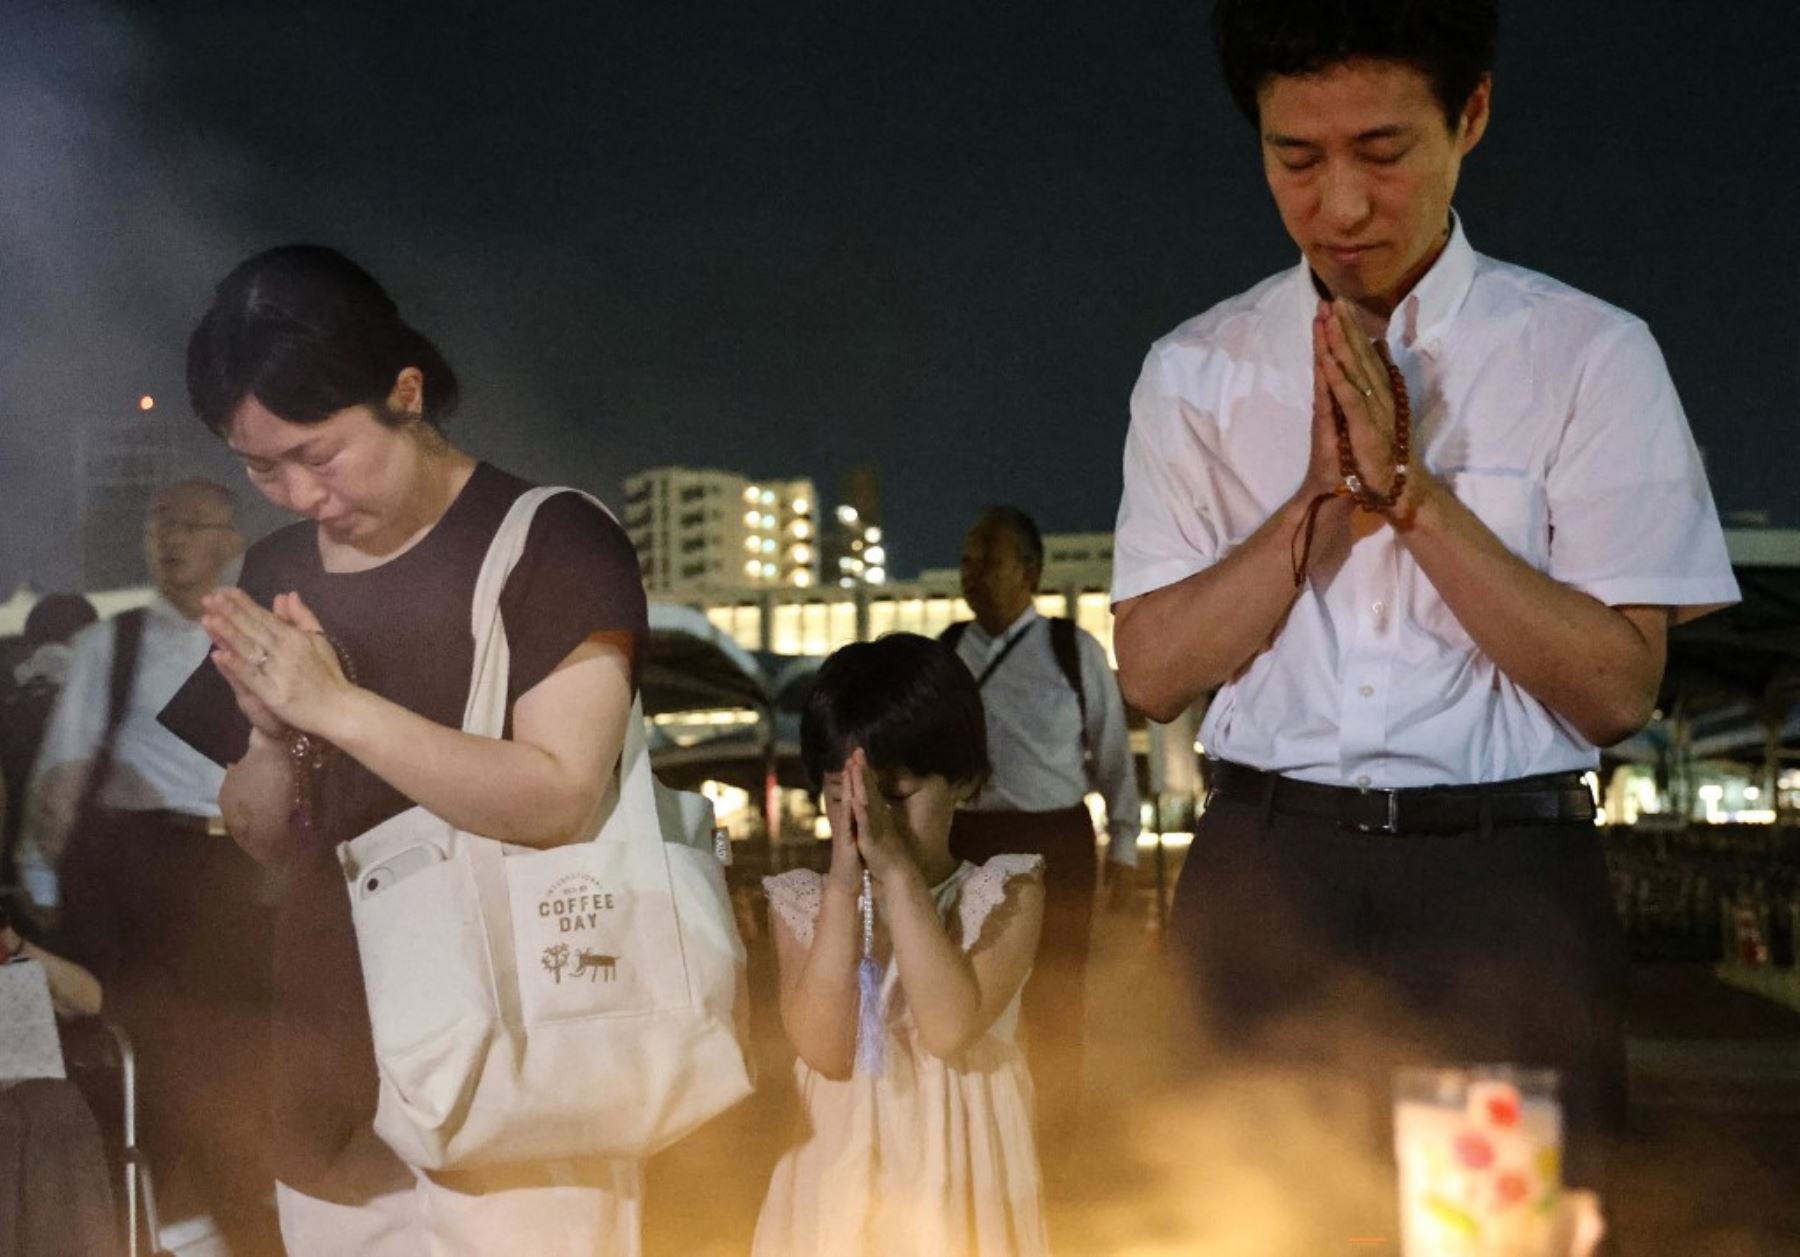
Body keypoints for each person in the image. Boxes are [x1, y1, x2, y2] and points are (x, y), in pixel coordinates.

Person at [1109, 0, 1738, 1225]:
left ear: (1474, 116)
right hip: (1265, 880)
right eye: (1296, 158)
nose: (1339, 205)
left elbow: (1617, 689)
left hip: (1495, 893)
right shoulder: (1195, 368)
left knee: (1489, 1236)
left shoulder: (1586, 355)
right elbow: (1149, 671)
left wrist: (1417, 501)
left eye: (1383, 152)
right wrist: (1320, 506)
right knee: (1247, 1227)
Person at [157, 244, 650, 1255]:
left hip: (518, 1076)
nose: (295, 492)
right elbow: (259, 831)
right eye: (260, 465)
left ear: (406, 393)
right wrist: (264, 728)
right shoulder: (281, 566)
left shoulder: (551, 541)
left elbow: (558, 795)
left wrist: (332, 706)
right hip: (329, 1079)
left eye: (319, 453)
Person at [15, 482, 276, 1252]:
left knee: (215, 1069)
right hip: (149, 886)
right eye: (160, 526)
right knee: (180, 1067)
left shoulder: (266, 634)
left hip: (238, 881)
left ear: (233, 536)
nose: (170, 541)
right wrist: (40, 889)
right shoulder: (114, 643)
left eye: (191, 525)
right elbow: (59, 783)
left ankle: (172, 1220)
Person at [757, 634, 1049, 1256]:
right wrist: (843, 887)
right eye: (843, 797)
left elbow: (948, 1028)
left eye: (894, 797)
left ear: (964, 780)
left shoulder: (1003, 893)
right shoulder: (805, 904)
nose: (869, 821)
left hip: (965, 1188)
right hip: (839, 1191)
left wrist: (896, 876)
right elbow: (826, 1050)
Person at [946, 504, 1139, 1175]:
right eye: (968, 558)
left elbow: (1112, 754)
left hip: (1055, 836)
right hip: (968, 836)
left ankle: (1056, 1133)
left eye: (986, 558)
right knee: (965, 989)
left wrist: (1125, 843)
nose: (971, 572)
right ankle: (979, 1125)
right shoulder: (948, 651)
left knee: (1060, 988)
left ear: (1028, 570)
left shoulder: (1071, 648)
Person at [0, 592, 97, 889]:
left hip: (17, 888)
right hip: (93, 887)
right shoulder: (112, 708)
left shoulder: (9, 706)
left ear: (30, 646)